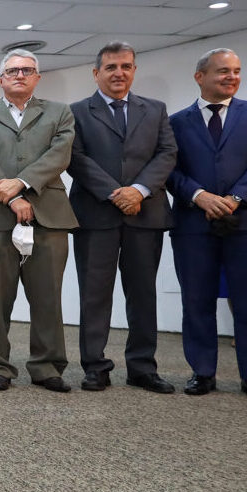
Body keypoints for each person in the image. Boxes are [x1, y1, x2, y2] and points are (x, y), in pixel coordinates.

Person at [167, 48, 247, 401]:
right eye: (222, 71)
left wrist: (235, 198)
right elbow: (169, 169)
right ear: (200, 76)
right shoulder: (175, 122)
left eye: (236, 70)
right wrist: (198, 195)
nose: (231, 77)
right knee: (196, 301)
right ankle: (202, 372)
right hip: (193, 223)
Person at [67, 42, 178, 394]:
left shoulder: (155, 109)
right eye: (112, 67)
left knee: (143, 293)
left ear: (134, 70)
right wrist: (116, 193)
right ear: (96, 72)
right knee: (94, 294)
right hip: (96, 213)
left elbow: (167, 153)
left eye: (126, 66)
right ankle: (95, 366)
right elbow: (76, 158)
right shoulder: (76, 112)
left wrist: (139, 190)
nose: (119, 73)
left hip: (145, 213)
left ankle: (142, 367)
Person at [0, 50, 77, 392]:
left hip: (49, 215)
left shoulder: (60, 113)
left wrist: (24, 183)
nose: (19, 75)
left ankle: (47, 366)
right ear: (0, 79)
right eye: (12, 71)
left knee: (47, 297)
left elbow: (59, 155)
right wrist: (12, 196)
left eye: (27, 70)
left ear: (37, 78)